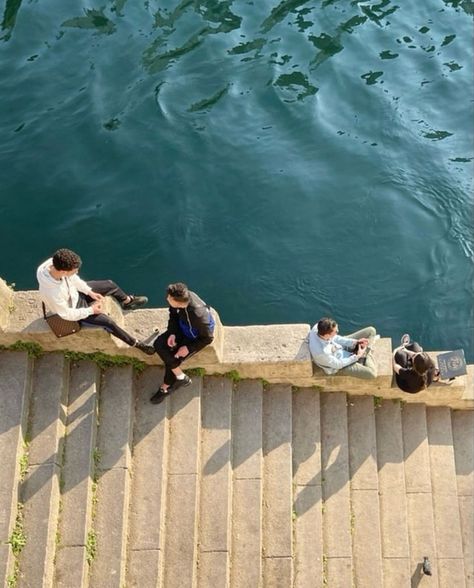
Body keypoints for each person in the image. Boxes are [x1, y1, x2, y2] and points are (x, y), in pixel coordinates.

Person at [37, 248, 155, 354]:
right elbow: (66, 314)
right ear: (63, 272)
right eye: (75, 270)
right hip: (74, 309)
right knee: (108, 322)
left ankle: (127, 302)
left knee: (109, 285)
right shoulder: (52, 293)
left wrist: (89, 292)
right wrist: (91, 310)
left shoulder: (54, 264)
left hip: (75, 294)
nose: (77, 272)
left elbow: (74, 279)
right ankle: (135, 343)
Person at [150, 282, 215, 404]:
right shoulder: (182, 300)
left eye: (169, 298)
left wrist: (189, 348)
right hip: (182, 328)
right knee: (158, 344)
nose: (167, 298)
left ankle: (166, 387)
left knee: (174, 356)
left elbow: (208, 338)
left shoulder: (198, 316)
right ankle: (180, 376)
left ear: (178, 302)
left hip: (194, 337)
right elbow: (173, 315)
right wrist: (173, 333)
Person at [308, 317, 378, 379]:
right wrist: (357, 356)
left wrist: (355, 342)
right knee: (372, 374)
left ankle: (362, 350)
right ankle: (367, 353)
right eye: (336, 331)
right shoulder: (322, 353)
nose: (338, 331)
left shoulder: (318, 327)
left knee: (371, 331)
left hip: (337, 346)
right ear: (327, 335)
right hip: (339, 362)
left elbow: (336, 338)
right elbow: (338, 364)